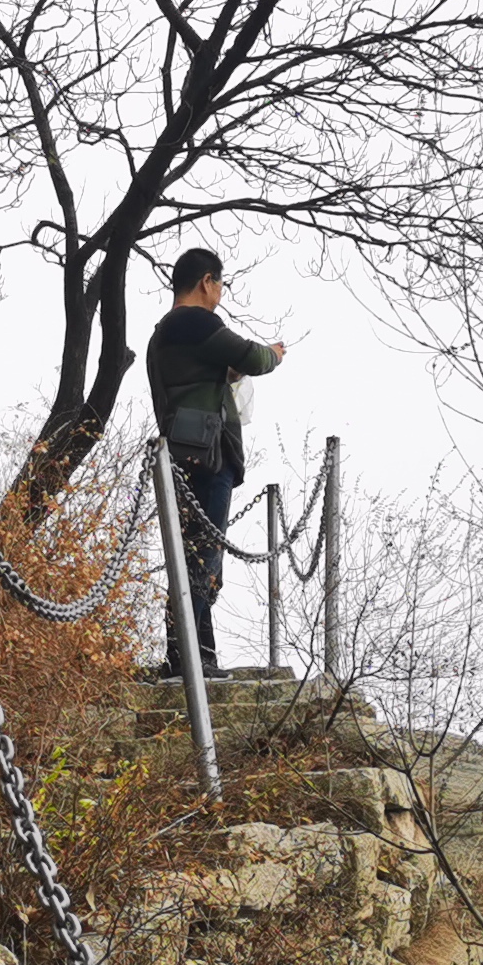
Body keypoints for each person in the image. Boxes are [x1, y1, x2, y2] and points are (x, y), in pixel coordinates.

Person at [141, 247, 285, 676]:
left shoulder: (161, 334)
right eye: (220, 283)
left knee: (190, 561)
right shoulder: (198, 321)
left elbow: (192, 380)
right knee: (205, 561)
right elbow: (252, 357)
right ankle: (185, 658)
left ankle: (198, 658)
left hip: (177, 457)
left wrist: (224, 376)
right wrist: (274, 353)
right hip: (208, 457)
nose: (220, 292)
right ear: (207, 281)